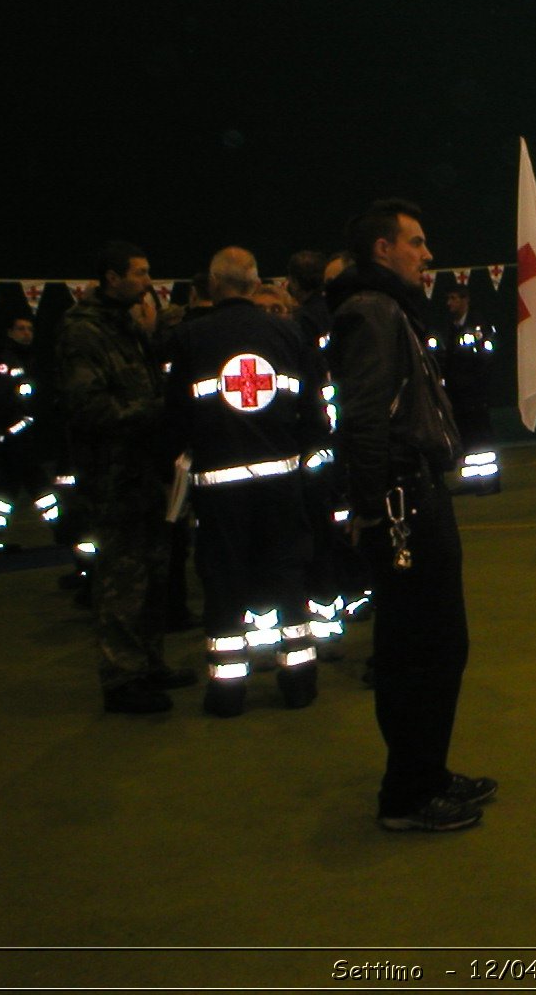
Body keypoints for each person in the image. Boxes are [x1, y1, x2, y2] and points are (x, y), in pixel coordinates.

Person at [326, 198, 496, 832]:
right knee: (419, 649)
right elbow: (365, 416)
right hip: (402, 502)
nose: (427, 255)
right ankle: (406, 794)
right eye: (416, 243)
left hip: (415, 494)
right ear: (383, 250)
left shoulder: (388, 310)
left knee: (439, 645)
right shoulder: (370, 312)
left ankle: (427, 771)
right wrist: (374, 506)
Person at [165, 247, 330, 717]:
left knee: (222, 586)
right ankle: (299, 683)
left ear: (214, 286)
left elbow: (175, 418)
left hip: (218, 494)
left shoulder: (189, 338)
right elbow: (317, 416)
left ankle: (226, 693)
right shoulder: (288, 332)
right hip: (282, 486)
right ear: (256, 283)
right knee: (288, 579)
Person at [57, 241, 195, 714]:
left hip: (145, 471)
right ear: (111, 278)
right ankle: (122, 677)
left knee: (154, 572)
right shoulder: (83, 330)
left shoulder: (126, 326)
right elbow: (90, 407)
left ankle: (150, 662)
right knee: (123, 579)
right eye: (138, 273)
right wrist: (159, 409)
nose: (147, 282)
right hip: (114, 476)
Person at [0, 316, 61, 552]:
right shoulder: (4, 362)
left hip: (19, 439)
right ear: (9, 332)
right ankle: (63, 530)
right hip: (13, 440)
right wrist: (12, 428)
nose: (26, 334)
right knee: (36, 485)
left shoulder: (25, 360)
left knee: (8, 489)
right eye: (21, 329)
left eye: (30, 329)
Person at [440, 282, 501, 495]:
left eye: (454, 299)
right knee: (466, 437)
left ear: (465, 300)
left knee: (481, 437)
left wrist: (477, 386)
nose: (450, 304)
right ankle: (473, 480)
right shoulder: (451, 328)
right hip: (458, 394)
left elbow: (485, 358)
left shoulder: (477, 326)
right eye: (448, 299)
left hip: (475, 393)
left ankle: (490, 481)